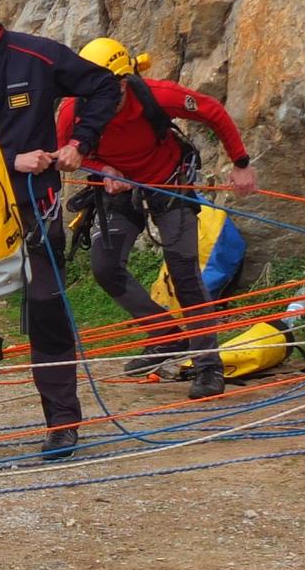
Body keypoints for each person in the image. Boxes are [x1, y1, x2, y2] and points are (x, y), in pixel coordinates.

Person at [0, 0, 121, 460]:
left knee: (47, 310)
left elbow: (104, 87)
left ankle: (63, 423)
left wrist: (79, 143)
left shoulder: (38, 56)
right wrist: (11, 158)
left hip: (37, 209)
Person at [58, 38, 258, 399]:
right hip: (115, 187)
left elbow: (212, 111)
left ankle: (207, 364)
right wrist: (101, 168)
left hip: (168, 182)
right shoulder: (73, 111)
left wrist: (241, 164)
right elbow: (65, 155)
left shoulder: (157, 95)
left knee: (184, 272)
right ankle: (166, 336)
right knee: (105, 268)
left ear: (122, 83)